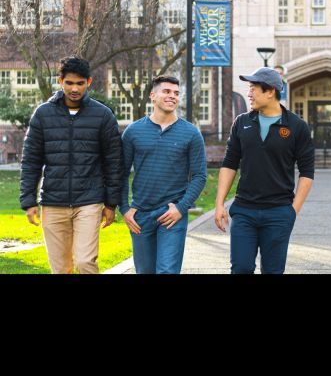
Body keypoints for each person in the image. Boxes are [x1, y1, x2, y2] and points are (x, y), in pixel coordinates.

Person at [19, 55, 123, 274]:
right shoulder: (43, 114)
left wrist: (111, 203)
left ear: (89, 82)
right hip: (53, 202)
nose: (74, 88)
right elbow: (31, 161)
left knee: (85, 262)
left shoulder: (103, 115)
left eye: (80, 83)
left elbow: (113, 162)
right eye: (69, 83)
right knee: (61, 269)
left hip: (89, 202)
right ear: (60, 81)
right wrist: (28, 201)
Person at [214, 67, 314, 274]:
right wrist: (219, 203)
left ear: (270, 91)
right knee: (240, 268)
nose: (249, 93)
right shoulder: (241, 123)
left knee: (273, 271)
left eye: (253, 88)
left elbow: (307, 172)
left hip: (279, 212)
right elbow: (230, 164)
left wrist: (292, 211)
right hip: (244, 210)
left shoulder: (297, 126)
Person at [119, 75, 207, 274]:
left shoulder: (191, 133)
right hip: (140, 215)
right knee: (144, 271)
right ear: (153, 95)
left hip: (172, 214)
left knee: (167, 271)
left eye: (176, 93)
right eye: (166, 91)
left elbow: (200, 175)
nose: (172, 96)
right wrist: (124, 208)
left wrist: (181, 208)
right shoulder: (133, 132)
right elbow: (120, 174)